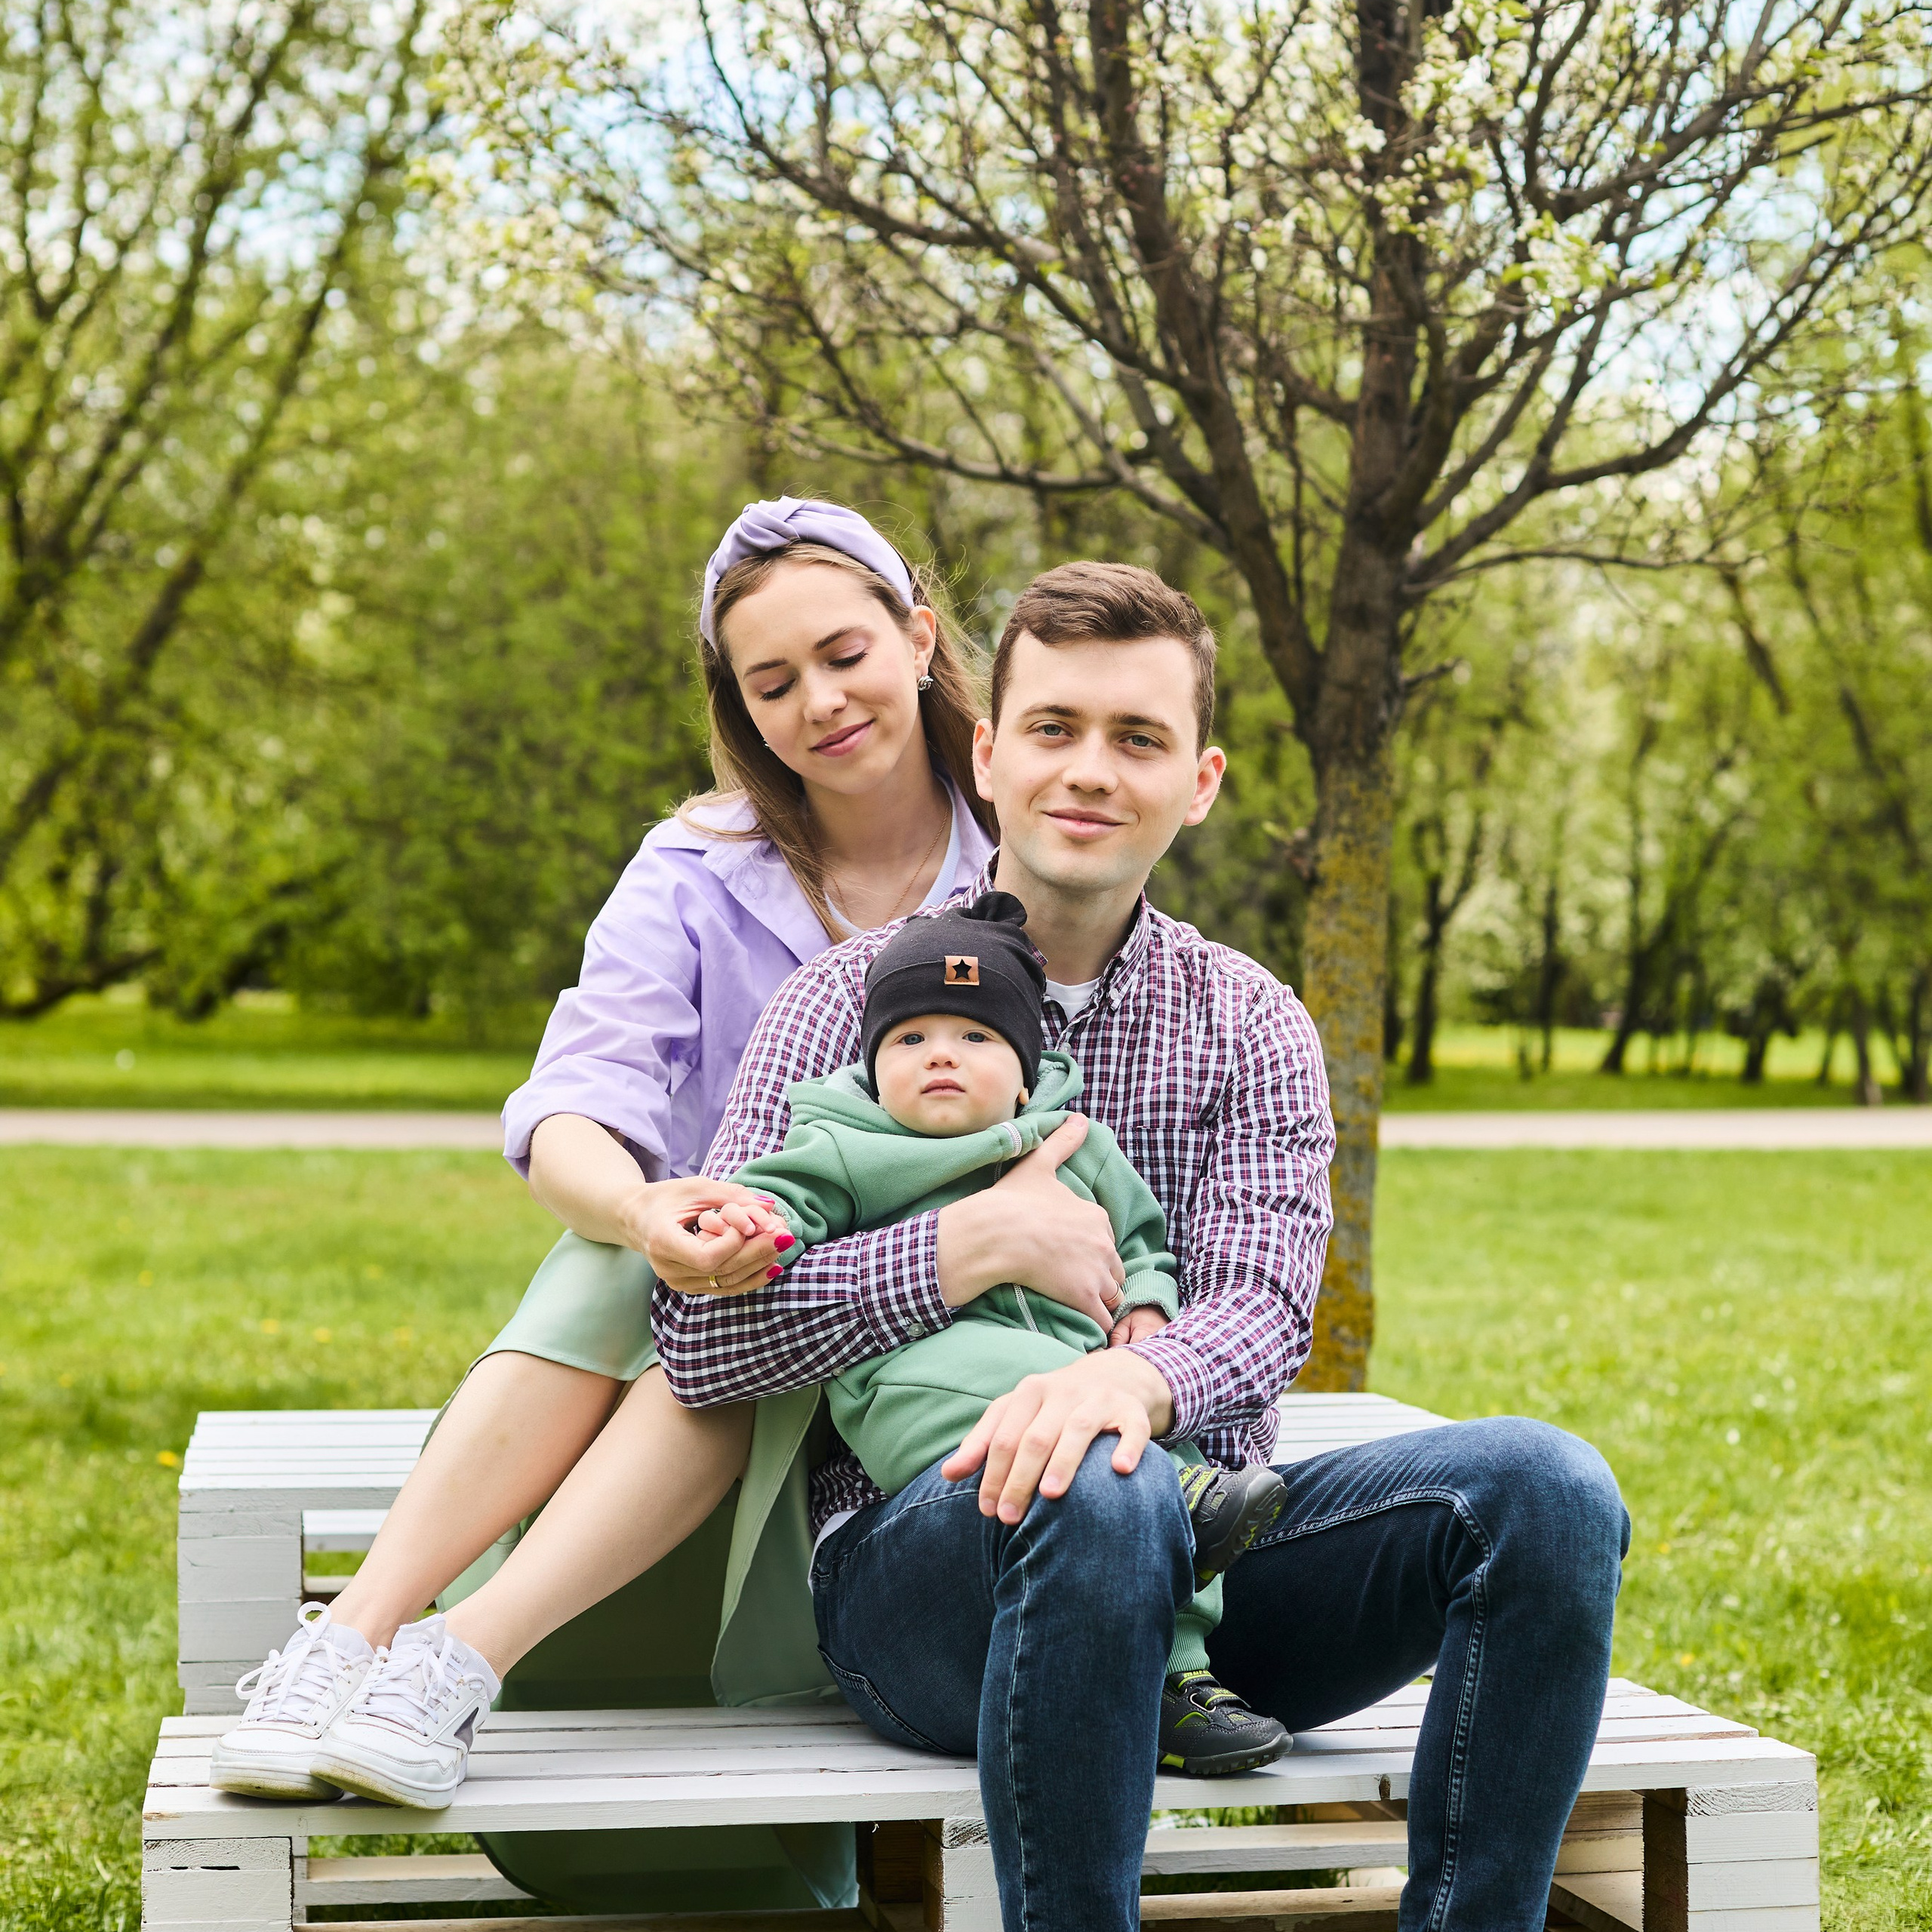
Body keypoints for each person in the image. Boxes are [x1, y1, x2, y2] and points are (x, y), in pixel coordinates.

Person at [652, 561, 1632, 1932]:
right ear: (987, 754)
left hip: (1215, 1586)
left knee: (1549, 1491)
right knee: (1095, 1484)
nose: (1089, 772)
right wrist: (962, 1248)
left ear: (1203, 780)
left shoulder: (1253, 1022)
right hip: (927, 1582)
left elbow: (1264, 1305)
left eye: (1139, 739)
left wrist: (1133, 1381)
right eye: (1053, 729)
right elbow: (698, 1335)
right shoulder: (838, 1008)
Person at [206, 497, 996, 1816]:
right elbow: (573, 1103)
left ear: (918, 636)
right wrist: (645, 1212)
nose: (821, 701)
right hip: (699, 1288)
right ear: (743, 709)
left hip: (924, 1318)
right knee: (627, 1257)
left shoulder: (1016, 854)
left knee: (743, 1295)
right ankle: (351, 1644)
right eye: (774, 682)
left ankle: (455, 1656)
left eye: (845, 652)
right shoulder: (696, 865)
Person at [730, 888, 1293, 1774]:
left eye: (974, 1038)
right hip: (919, 1391)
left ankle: (1180, 1682)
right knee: (1115, 1465)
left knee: (1118, 1461)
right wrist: (748, 1226)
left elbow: (1142, 1239)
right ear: (875, 1068)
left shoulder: (1075, 1140)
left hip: (1074, 1377)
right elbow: (777, 1208)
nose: (939, 1057)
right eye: (909, 1040)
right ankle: (1168, 1518)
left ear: (1026, 1070)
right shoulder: (849, 1143)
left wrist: (1146, 1309)